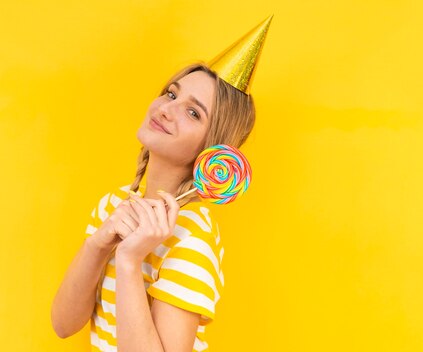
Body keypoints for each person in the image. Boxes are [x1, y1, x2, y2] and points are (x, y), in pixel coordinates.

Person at [51, 15, 273, 351]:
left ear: (213, 148)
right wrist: (98, 245)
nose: (168, 109)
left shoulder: (191, 239)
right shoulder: (113, 206)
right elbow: (64, 325)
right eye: (171, 94)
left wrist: (128, 260)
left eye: (193, 112)